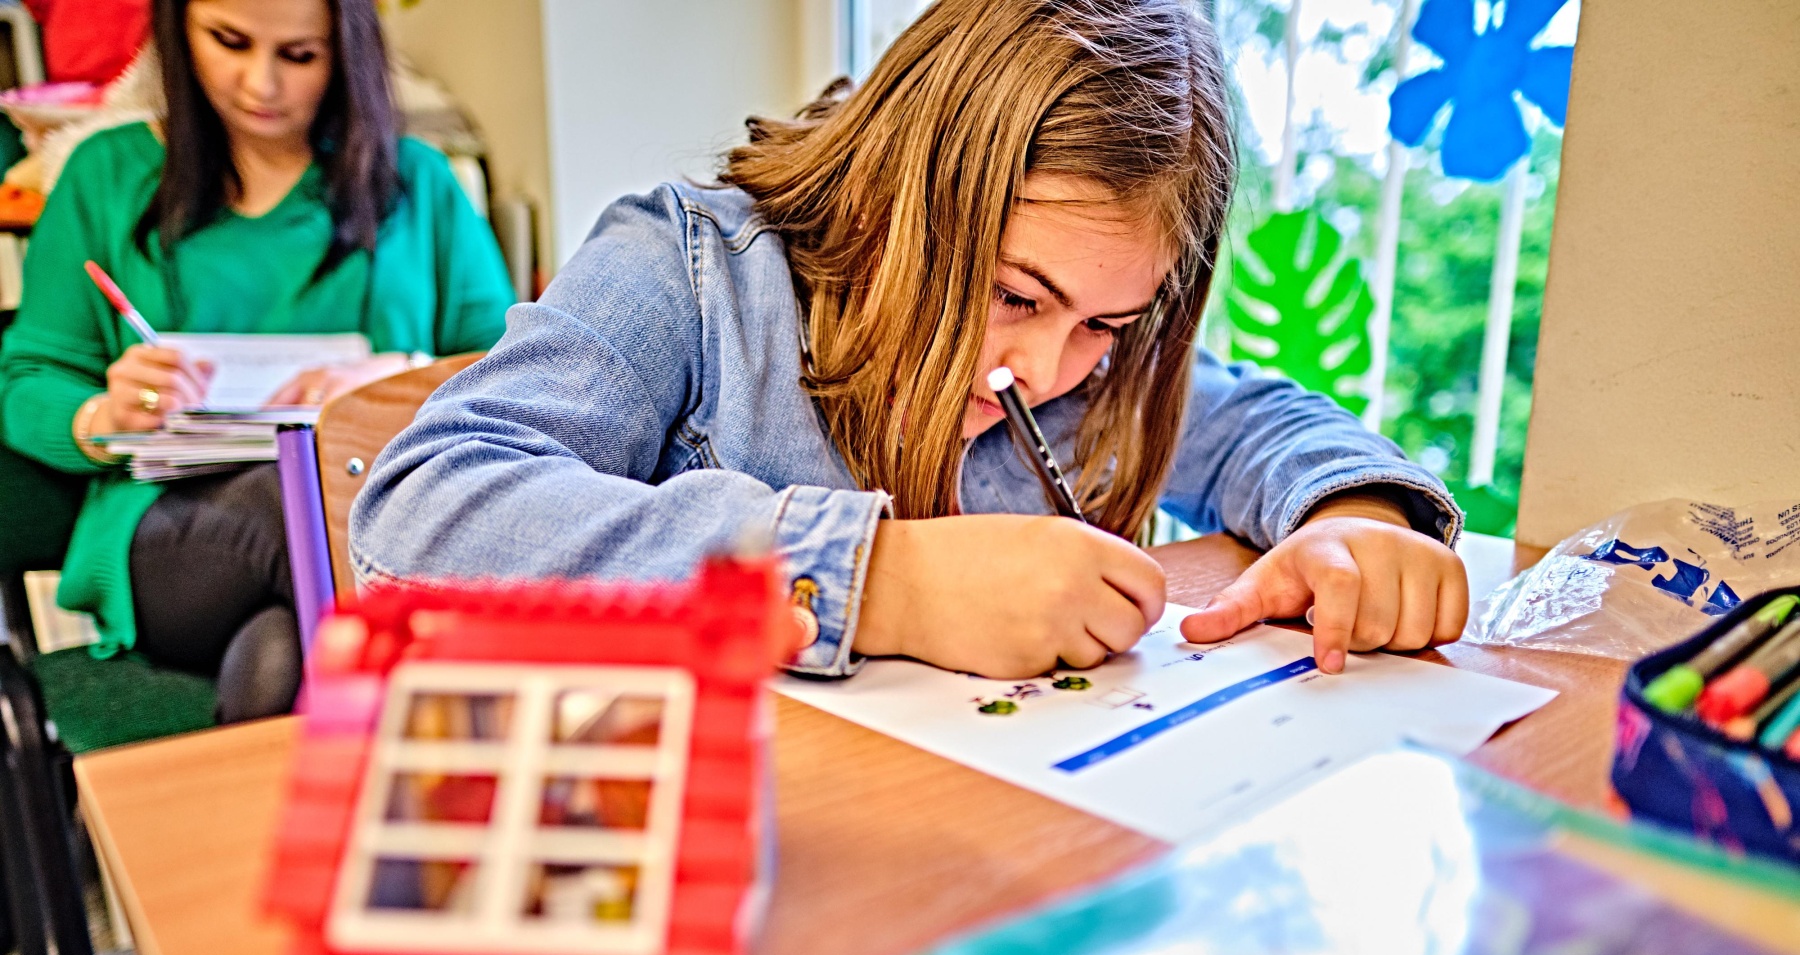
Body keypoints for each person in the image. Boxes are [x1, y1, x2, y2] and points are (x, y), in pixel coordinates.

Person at [352, 0, 1468, 682]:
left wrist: (1357, 517)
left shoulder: (1088, 369)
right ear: (899, 195)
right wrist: (881, 582)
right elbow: (423, 506)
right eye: (1014, 295)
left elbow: (1257, 424)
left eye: (1106, 324)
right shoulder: (691, 271)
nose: (1046, 369)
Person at [1, 0, 514, 720]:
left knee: (280, 657)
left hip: (368, 504)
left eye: (299, 55)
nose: (260, 84)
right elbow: (26, 380)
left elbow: (507, 377)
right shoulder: (105, 175)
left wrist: (394, 377)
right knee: (296, 503)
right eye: (229, 42)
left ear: (347, 52)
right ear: (179, 29)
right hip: (172, 529)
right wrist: (102, 415)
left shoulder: (421, 183)